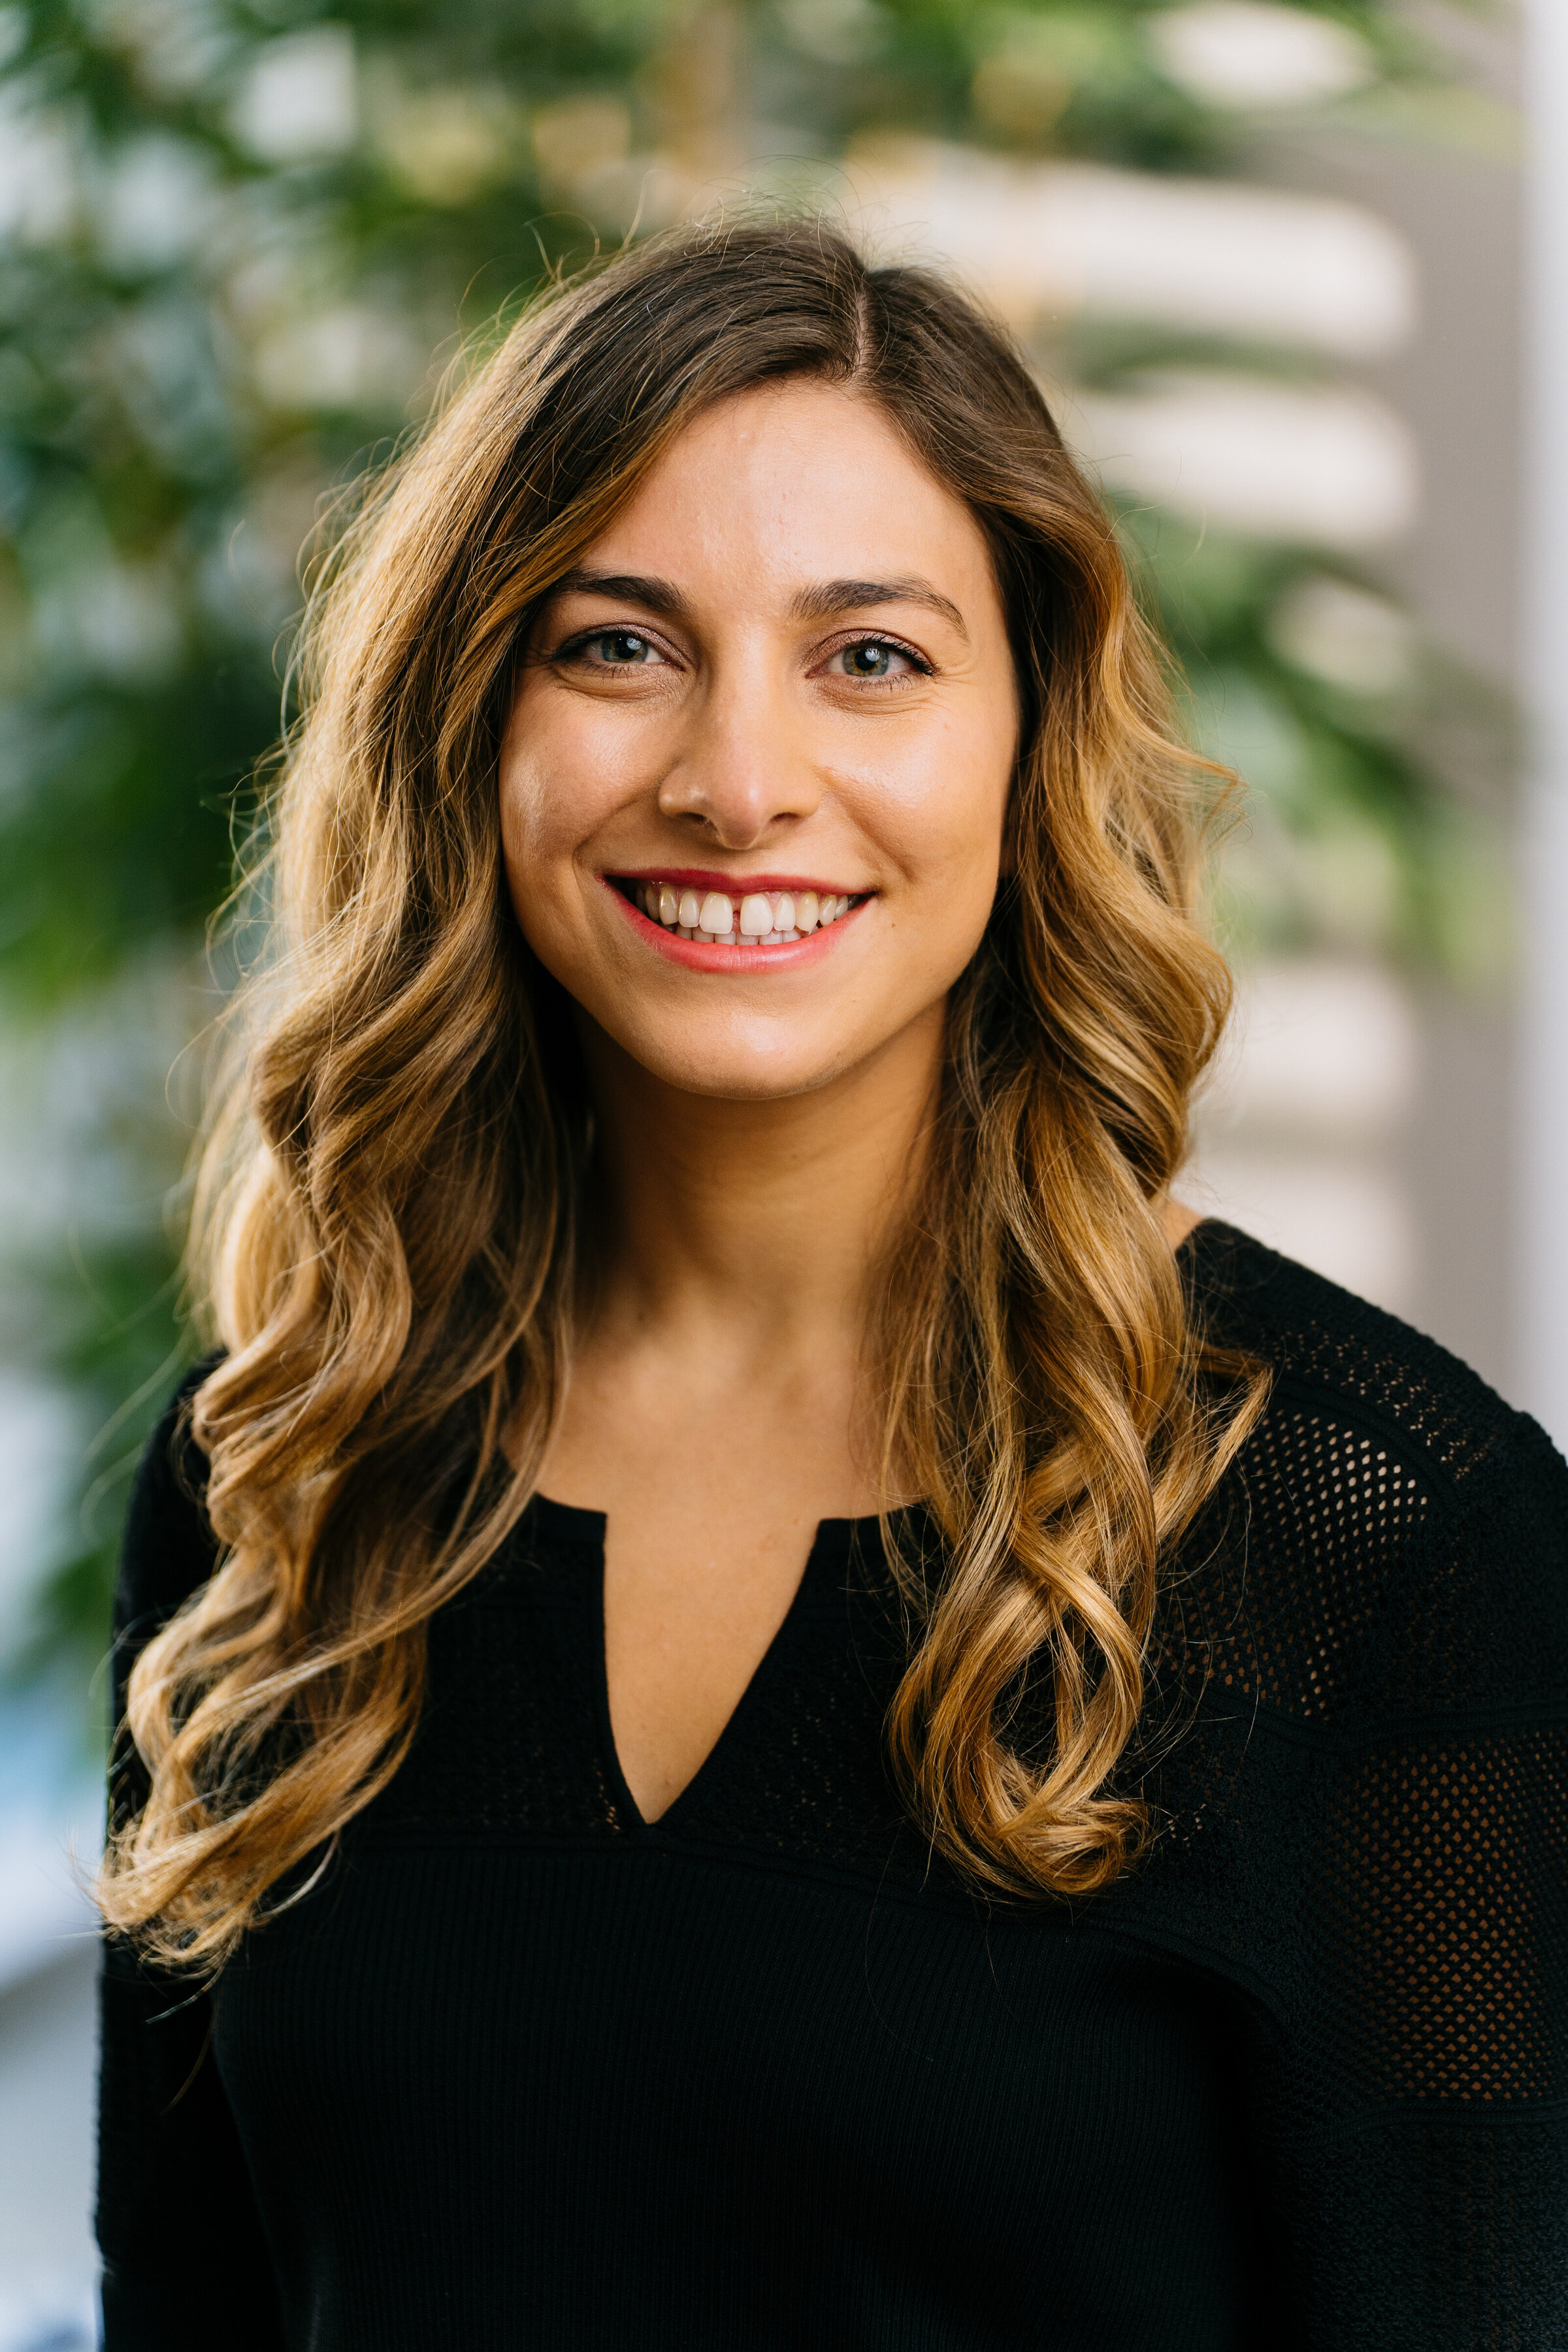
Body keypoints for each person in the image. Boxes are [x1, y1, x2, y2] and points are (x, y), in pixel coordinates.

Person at [95, 219, 1566, 2351]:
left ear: (1024, 740)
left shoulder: (1372, 1534)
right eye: (618, 646)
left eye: (871, 657)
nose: (740, 779)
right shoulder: (282, 1478)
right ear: (468, 726)